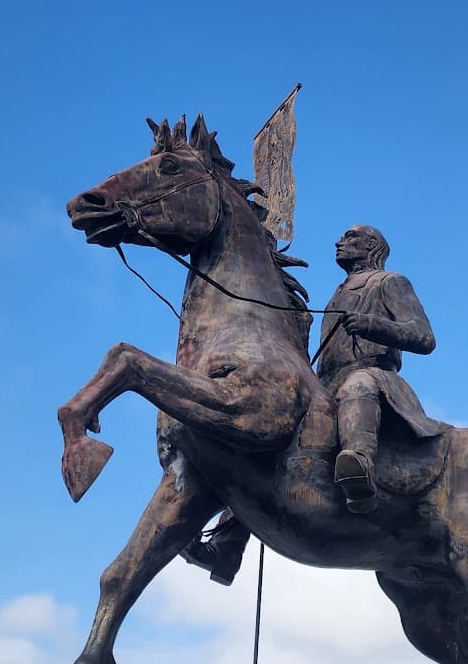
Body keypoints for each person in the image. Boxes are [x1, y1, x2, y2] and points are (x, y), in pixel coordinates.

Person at [181, 224, 447, 583]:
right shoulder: (338, 292)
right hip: (326, 387)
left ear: (371, 245)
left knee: (358, 386)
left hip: (373, 377)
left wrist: (372, 325)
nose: (339, 241)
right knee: (262, 448)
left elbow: (424, 337)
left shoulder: (390, 282)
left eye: (350, 237)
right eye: (341, 236)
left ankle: (359, 469)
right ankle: (227, 549)